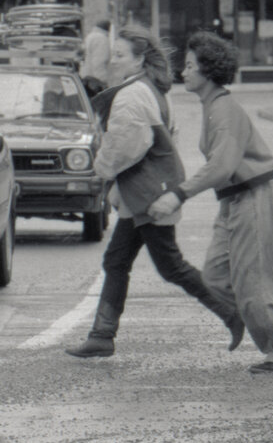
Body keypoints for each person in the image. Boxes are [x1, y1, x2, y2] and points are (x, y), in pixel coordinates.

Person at [66, 26, 243, 358]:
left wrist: (100, 170)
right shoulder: (153, 89)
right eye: (112, 54)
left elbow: (124, 145)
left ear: (139, 61)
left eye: (120, 56)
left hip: (147, 192)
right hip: (148, 190)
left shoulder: (131, 95)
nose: (112, 61)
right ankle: (102, 335)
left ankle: (233, 313)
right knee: (117, 260)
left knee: (170, 265)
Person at [148, 32, 273, 374]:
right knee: (218, 277)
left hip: (255, 194)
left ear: (208, 71)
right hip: (236, 199)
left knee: (255, 280)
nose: (183, 72)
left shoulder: (223, 110)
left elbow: (222, 166)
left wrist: (178, 194)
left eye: (190, 66)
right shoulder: (212, 107)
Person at [79, 17, 112, 98]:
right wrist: (102, 83)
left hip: (85, 77)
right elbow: (99, 62)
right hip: (94, 82)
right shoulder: (102, 39)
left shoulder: (90, 36)